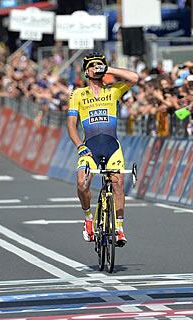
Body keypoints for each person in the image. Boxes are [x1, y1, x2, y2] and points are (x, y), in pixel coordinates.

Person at [67, 52, 138, 246]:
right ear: (86, 71)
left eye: (100, 65)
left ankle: (120, 229)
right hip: (89, 147)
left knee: (118, 183)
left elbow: (134, 78)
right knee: (82, 183)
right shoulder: (78, 94)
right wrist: (80, 146)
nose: (96, 68)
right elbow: (71, 125)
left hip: (111, 146)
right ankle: (88, 219)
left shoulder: (113, 90)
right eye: (93, 66)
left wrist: (109, 69)